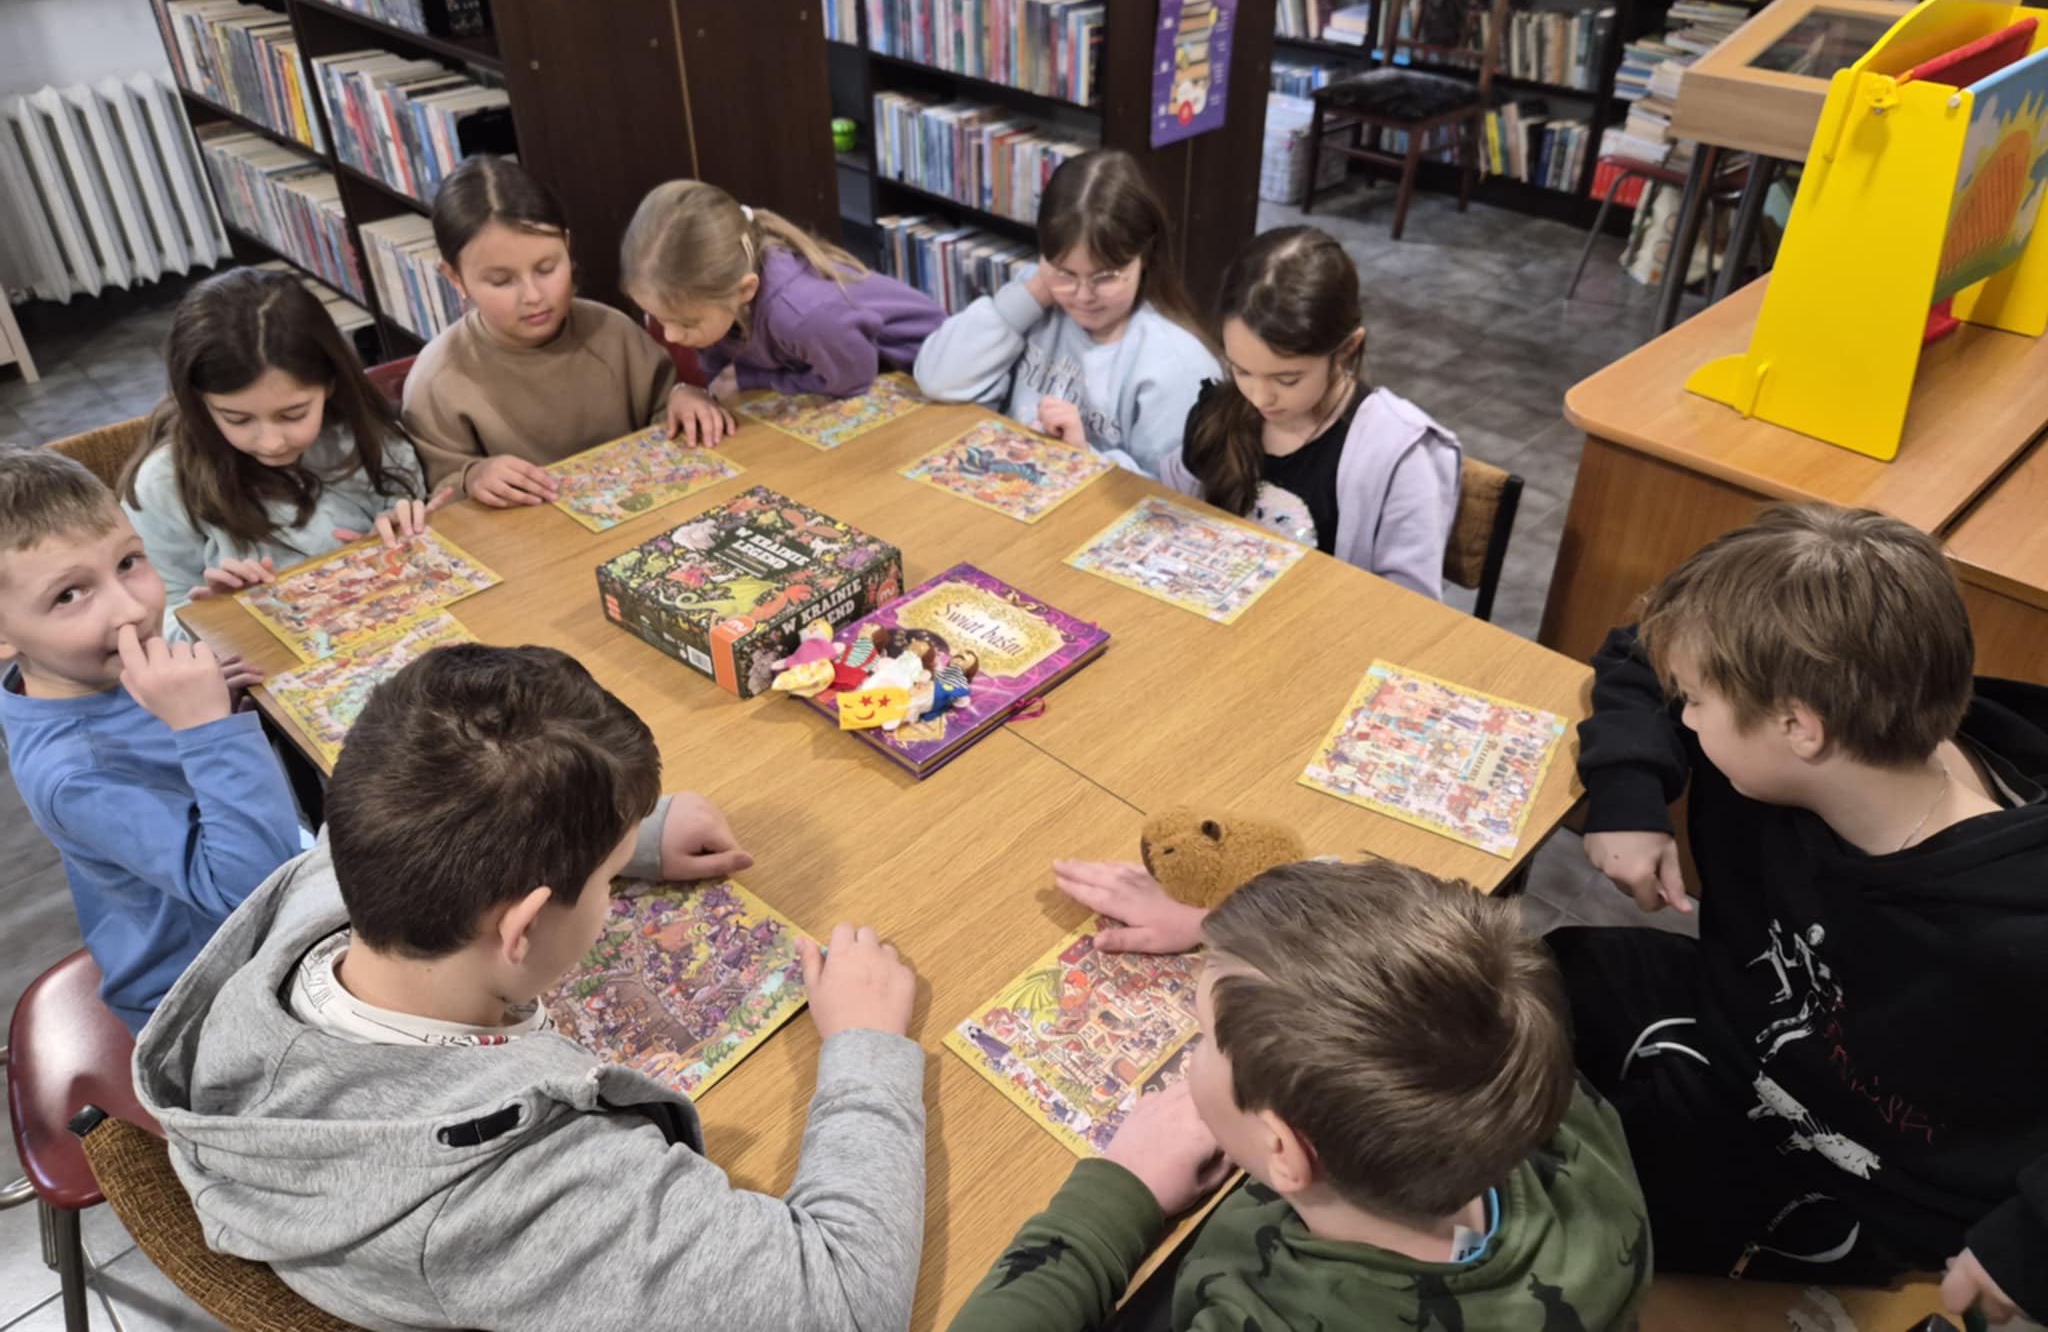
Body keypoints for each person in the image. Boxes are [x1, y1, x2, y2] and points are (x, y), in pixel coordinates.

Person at [135, 642, 928, 1331]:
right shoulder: (517, 1192)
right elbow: (847, 1304)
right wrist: (867, 1050)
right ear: (520, 930)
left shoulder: (340, 875)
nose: (616, 892)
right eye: (611, 881)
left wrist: (631, 832)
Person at [1556, 502, 2048, 1327]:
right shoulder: (1862, 710)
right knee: (1516, 988)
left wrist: (2028, 1241)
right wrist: (1630, 790)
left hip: (1879, 1181)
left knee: (1578, 1242)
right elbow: (1640, 656)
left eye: (1697, 705)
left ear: (1798, 729)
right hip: (1750, 1030)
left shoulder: (2014, 928)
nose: (1682, 717)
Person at [952, 858, 1650, 1332]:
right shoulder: (1551, 1107)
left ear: (1283, 1148)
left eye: (1202, 1038)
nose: (1195, 1048)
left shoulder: (1262, 1315)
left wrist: (1118, 1195)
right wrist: (1224, 938)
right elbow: (1414, 980)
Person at [0, 446, 302, 1033]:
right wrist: (209, 730)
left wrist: (211, 634)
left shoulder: (78, 668)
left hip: (264, 914)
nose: (133, 608)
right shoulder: (74, 774)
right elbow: (258, 892)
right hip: (214, 998)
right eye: (69, 595)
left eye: (129, 561)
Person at [121, 267, 435, 639]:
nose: (271, 442)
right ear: (198, 403)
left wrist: (409, 529)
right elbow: (152, 619)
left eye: (293, 414)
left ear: (330, 383)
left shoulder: (367, 434)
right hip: (256, 665)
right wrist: (217, 616)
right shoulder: (163, 484)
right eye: (237, 418)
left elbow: (410, 514)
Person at [1162, 226, 1460, 600]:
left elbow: (1407, 612)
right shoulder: (1217, 413)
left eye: (1287, 379)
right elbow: (1172, 520)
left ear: (1348, 348)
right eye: (1240, 369)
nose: (1259, 397)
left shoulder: (1401, 457)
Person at [402, 156, 695, 503]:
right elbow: (439, 497)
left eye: (546, 268)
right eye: (501, 280)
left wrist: (686, 398)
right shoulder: (437, 381)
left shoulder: (614, 333)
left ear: (567, 248)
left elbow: (668, 417)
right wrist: (472, 477)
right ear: (455, 278)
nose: (533, 296)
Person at [913, 150, 1218, 479]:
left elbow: (1177, 498)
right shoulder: (1036, 300)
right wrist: (1033, 293)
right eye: (1065, 273)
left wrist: (1083, 456)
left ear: (1145, 256)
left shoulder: (1176, 363)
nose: (1084, 296)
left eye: (1105, 277)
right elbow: (937, 379)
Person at [620, 177, 943, 431]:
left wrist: (752, 378)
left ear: (746, 290)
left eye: (686, 323)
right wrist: (701, 391)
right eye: (659, 319)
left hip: (930, 370)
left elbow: (853, 380)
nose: (672, 336)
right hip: (855, 368)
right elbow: (722, 375)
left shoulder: (802, 315)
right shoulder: (709, 301)